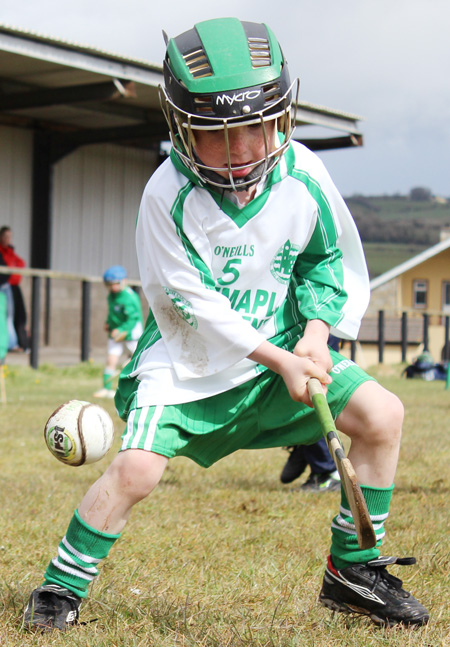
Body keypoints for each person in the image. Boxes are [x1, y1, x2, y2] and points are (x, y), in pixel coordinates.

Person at [23, 18, 429, 632]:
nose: (241, 152)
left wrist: (314, 338)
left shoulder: (303, 174)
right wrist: (285, 361)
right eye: (218, 135)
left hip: (286, 352)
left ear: (280, 118)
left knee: (383, 415)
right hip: (189, 364)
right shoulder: (167, 195)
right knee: (136, 470)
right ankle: (59, 590)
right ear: (181, 129)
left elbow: (328, 262)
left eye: (254, 129)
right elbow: (194, 306)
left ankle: (354, 572)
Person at [280, 334, 341, 492]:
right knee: (291, 391)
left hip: (312, 328)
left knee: (309, 393)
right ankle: (306, 444)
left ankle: (327, 471)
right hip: (296, 325)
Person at [93, 265, 144, 399]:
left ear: (123, 281)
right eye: (109, 285)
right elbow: (112, 313)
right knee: (111, 358)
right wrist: (109, 323)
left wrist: (121, 330)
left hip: (131, 334)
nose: (112, 288)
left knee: (138, 359)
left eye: (115, 284)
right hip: (115, 334)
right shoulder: (111, 296)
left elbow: (132, 318)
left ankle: (141, 388)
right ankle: (106, 388)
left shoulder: (129, 297)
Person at [0, 226, 29, 351]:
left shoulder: (10, 251)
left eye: (9, 237)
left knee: (10, 316)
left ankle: (11, 344)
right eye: (5, 236)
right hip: (3, 286)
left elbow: (21, 263)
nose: (7, 239)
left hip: (8, 287)